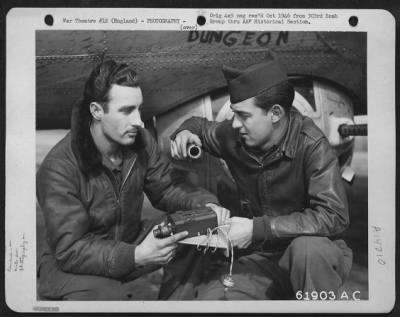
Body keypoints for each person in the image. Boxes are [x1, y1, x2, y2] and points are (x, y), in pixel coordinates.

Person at [36, 60, 229, 300]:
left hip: (131, 242)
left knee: (198, 232)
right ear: (96, 111)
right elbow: (71, 249)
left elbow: (167, 188)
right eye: (126, 110)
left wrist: (206, 206)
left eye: (139, 109)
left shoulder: (140, 141)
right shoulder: (59, 167)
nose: (138, 121)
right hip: (72, 264)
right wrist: (136, 255)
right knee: (107, 297)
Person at [169, 59, 353, 300]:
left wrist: (256, 229)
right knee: (214, 300)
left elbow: (334, 216)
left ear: (275, 113)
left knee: (307, 249)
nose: (235, 124)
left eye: (244, 116)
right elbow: (200, 127)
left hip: (313, 258)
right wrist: (185, 132)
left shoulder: (313, 146)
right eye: (234, 114)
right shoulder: (235, 136)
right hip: (265, 257)